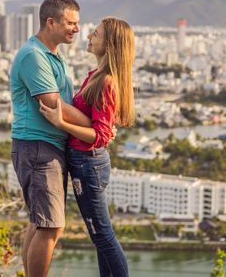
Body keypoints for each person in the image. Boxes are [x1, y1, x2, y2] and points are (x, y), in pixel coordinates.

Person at [39, 17, 135, 277]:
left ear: (110, 44)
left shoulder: (106, 82)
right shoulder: (96, 76)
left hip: (89, 163)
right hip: (86, 162)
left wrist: (61, 123)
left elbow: (101, 135)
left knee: (102, 236)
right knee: (99, 238)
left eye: (96, 33)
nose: (89, 36)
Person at [9, 0, 93, 277]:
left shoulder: (54, 56)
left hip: (43, 145)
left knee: (39, 222)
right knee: (51, 225)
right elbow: (53, 104)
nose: (76, 29)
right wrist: (94, 126)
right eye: (70, 23)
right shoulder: (34, 56)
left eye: (77, 23)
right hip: (37, 146)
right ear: (50, 22)